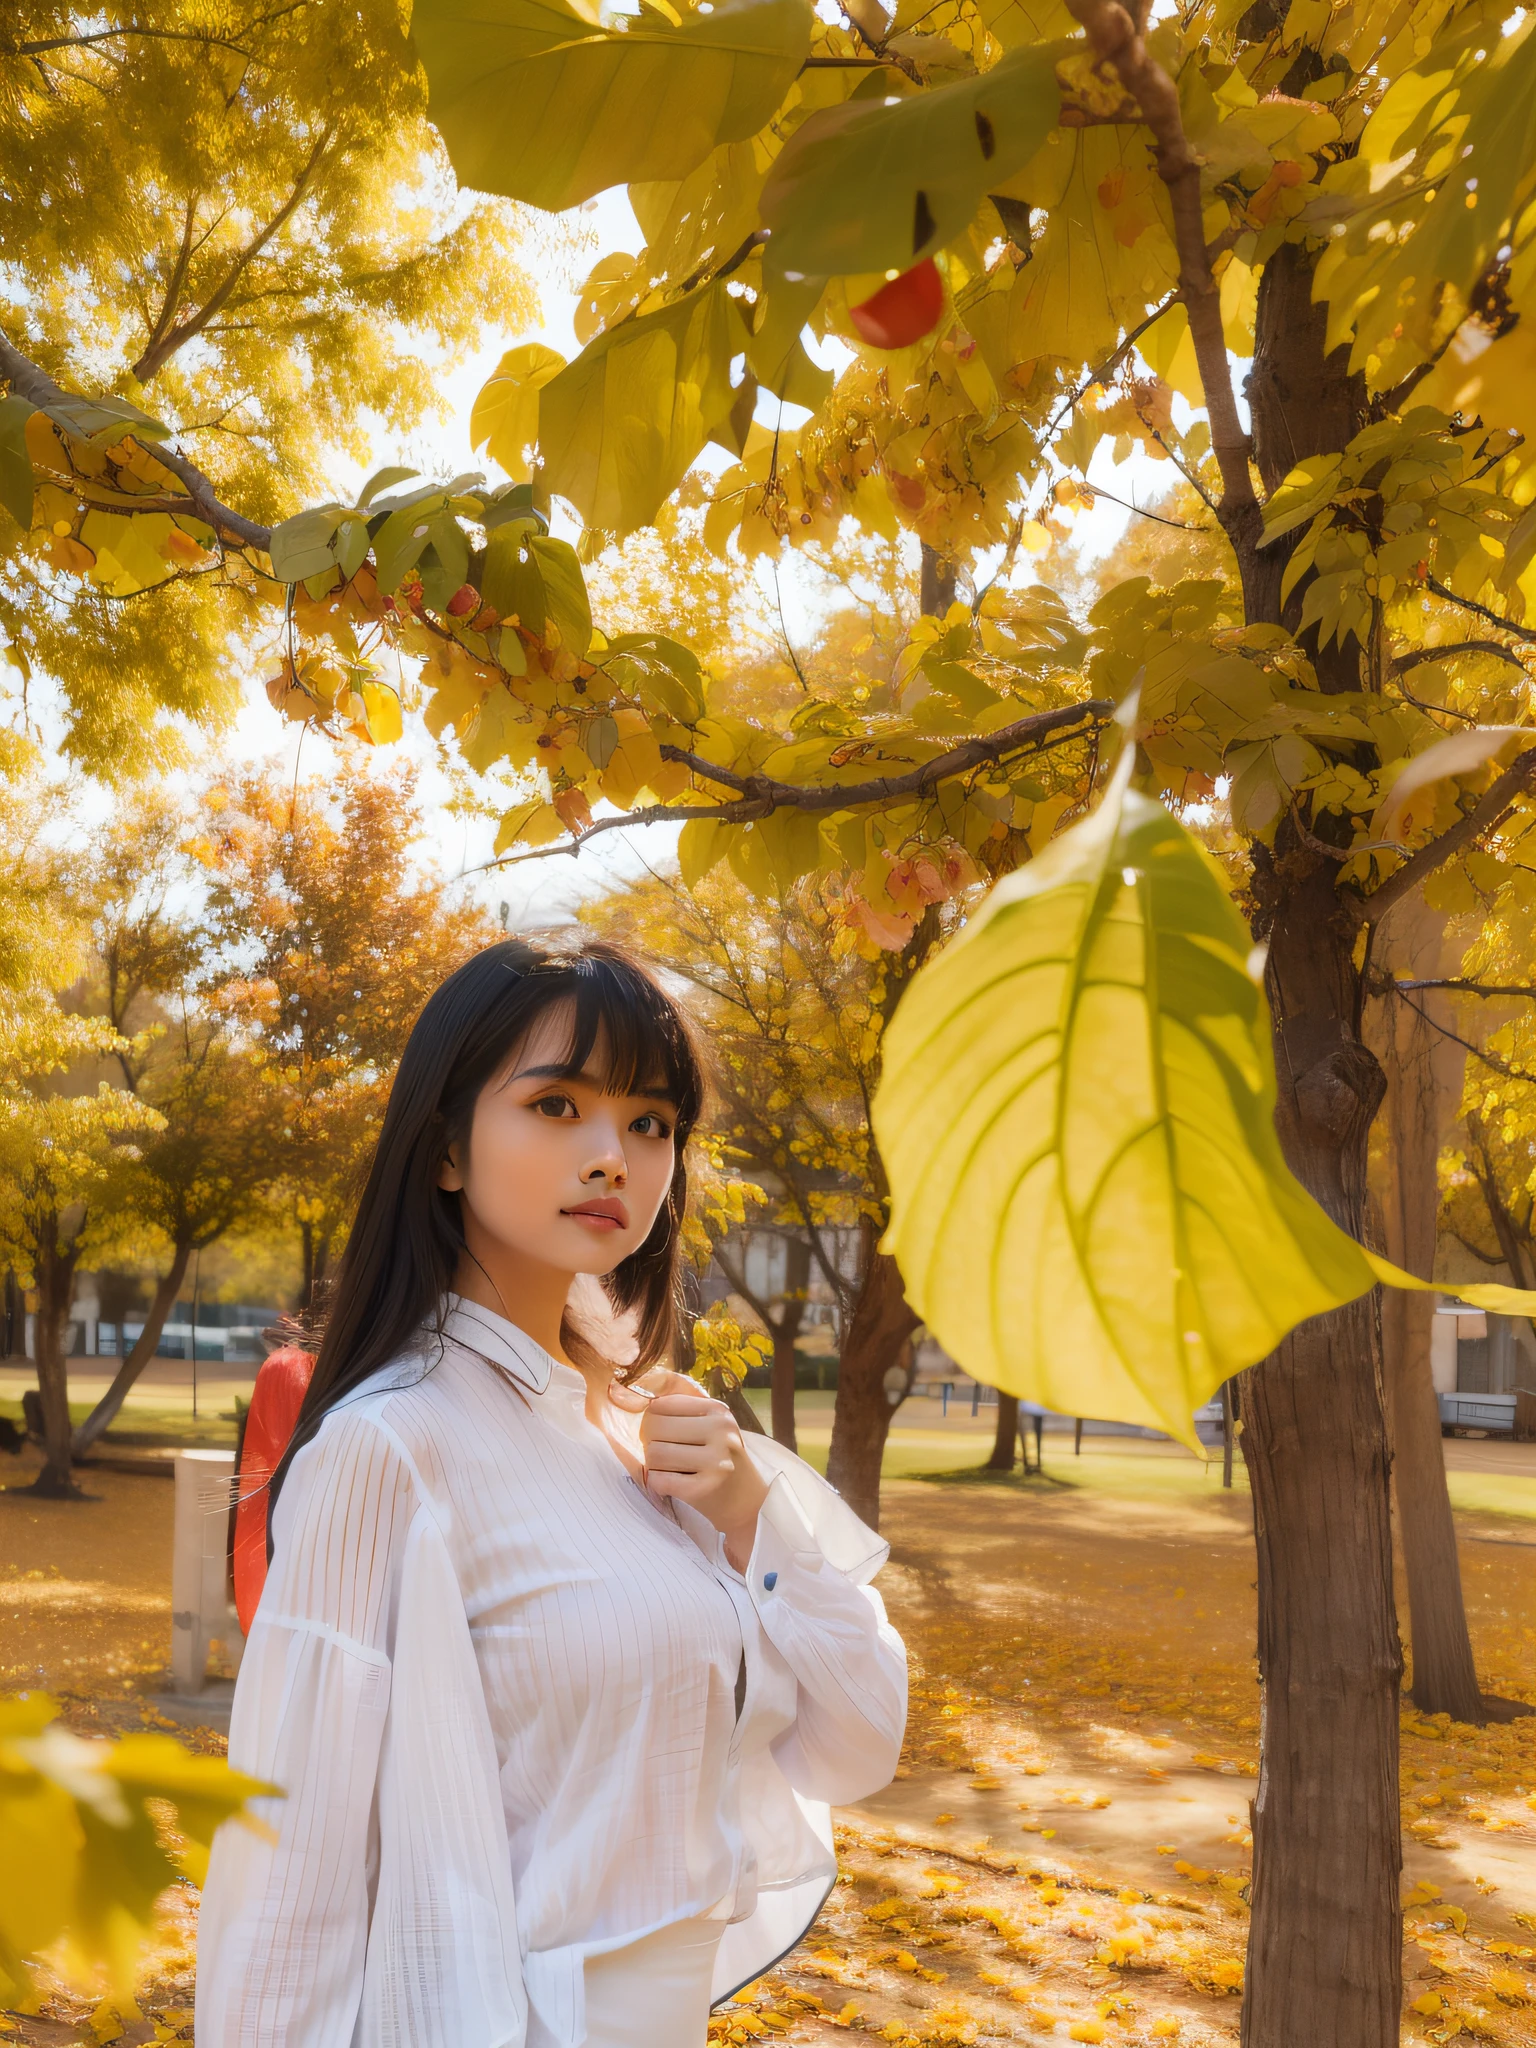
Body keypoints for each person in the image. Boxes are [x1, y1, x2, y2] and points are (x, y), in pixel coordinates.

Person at [195, 935, 907, 2048]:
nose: (612, 1155)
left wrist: (752, 1516)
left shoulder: (649, 1428)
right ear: (445, 1148)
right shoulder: (389, 1446)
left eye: (650, 1120)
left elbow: (861, 1737)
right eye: (558, 1104)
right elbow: (291, 1875)